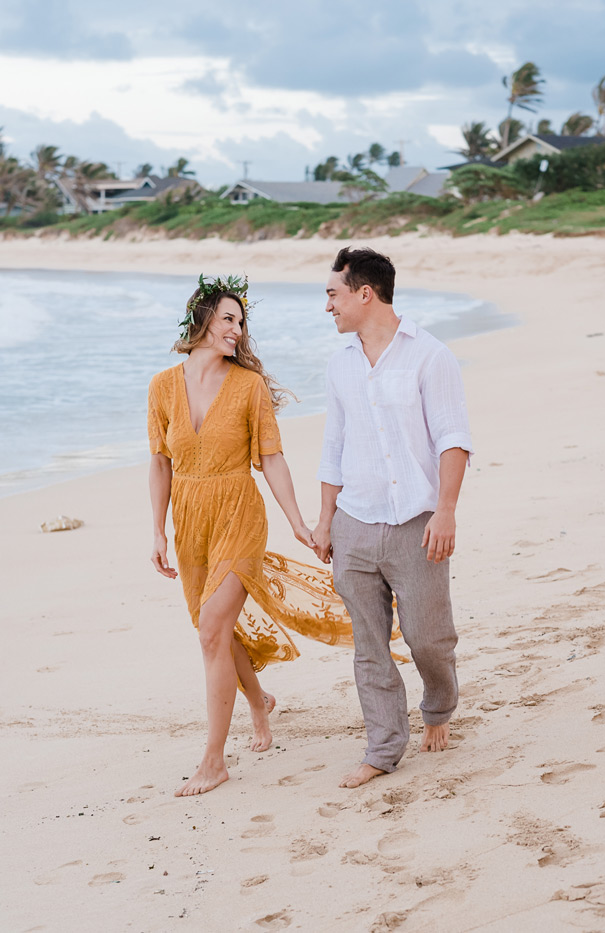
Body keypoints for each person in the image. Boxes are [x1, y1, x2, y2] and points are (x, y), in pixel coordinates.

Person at [148, 275, 352, 797]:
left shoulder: (248, 387)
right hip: (189, 519)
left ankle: (213, 761)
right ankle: (258, 701)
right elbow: (160, 463)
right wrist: (157, 530)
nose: (237, 331)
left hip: (238, 512)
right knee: (213, 629)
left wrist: (298, 521)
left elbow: (271, 458)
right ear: (200, 322)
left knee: (212, 630)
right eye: (228, 320)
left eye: (241, 323)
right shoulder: (162, 387)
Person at [311, 247, 473, 790]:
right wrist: (324, 519)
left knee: (429, 638)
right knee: (369, 645)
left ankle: (440, 704)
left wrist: (445, 511)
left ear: (365, 293)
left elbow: (453, 439)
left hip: (415, 521)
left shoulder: (430, 356)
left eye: (333, 294)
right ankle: (382, 748)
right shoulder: (339, 365)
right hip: (354, 522)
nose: (327, 305)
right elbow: (334, 446)